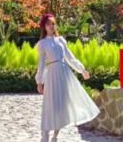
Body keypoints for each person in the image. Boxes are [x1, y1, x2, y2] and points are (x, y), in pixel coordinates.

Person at [36, 13, 100, 142]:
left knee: (62, 106)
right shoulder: (42, 44)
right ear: (44, 26)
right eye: (49, 24)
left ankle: (55, 136)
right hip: (52, 75)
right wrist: (39, 82)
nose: (52, 26)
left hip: (64, 74)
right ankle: (45, 135)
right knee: (50, 105)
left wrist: (82, 70)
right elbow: (41, 64)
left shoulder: (61, 40)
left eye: (53, 23)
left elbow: (70, 58)